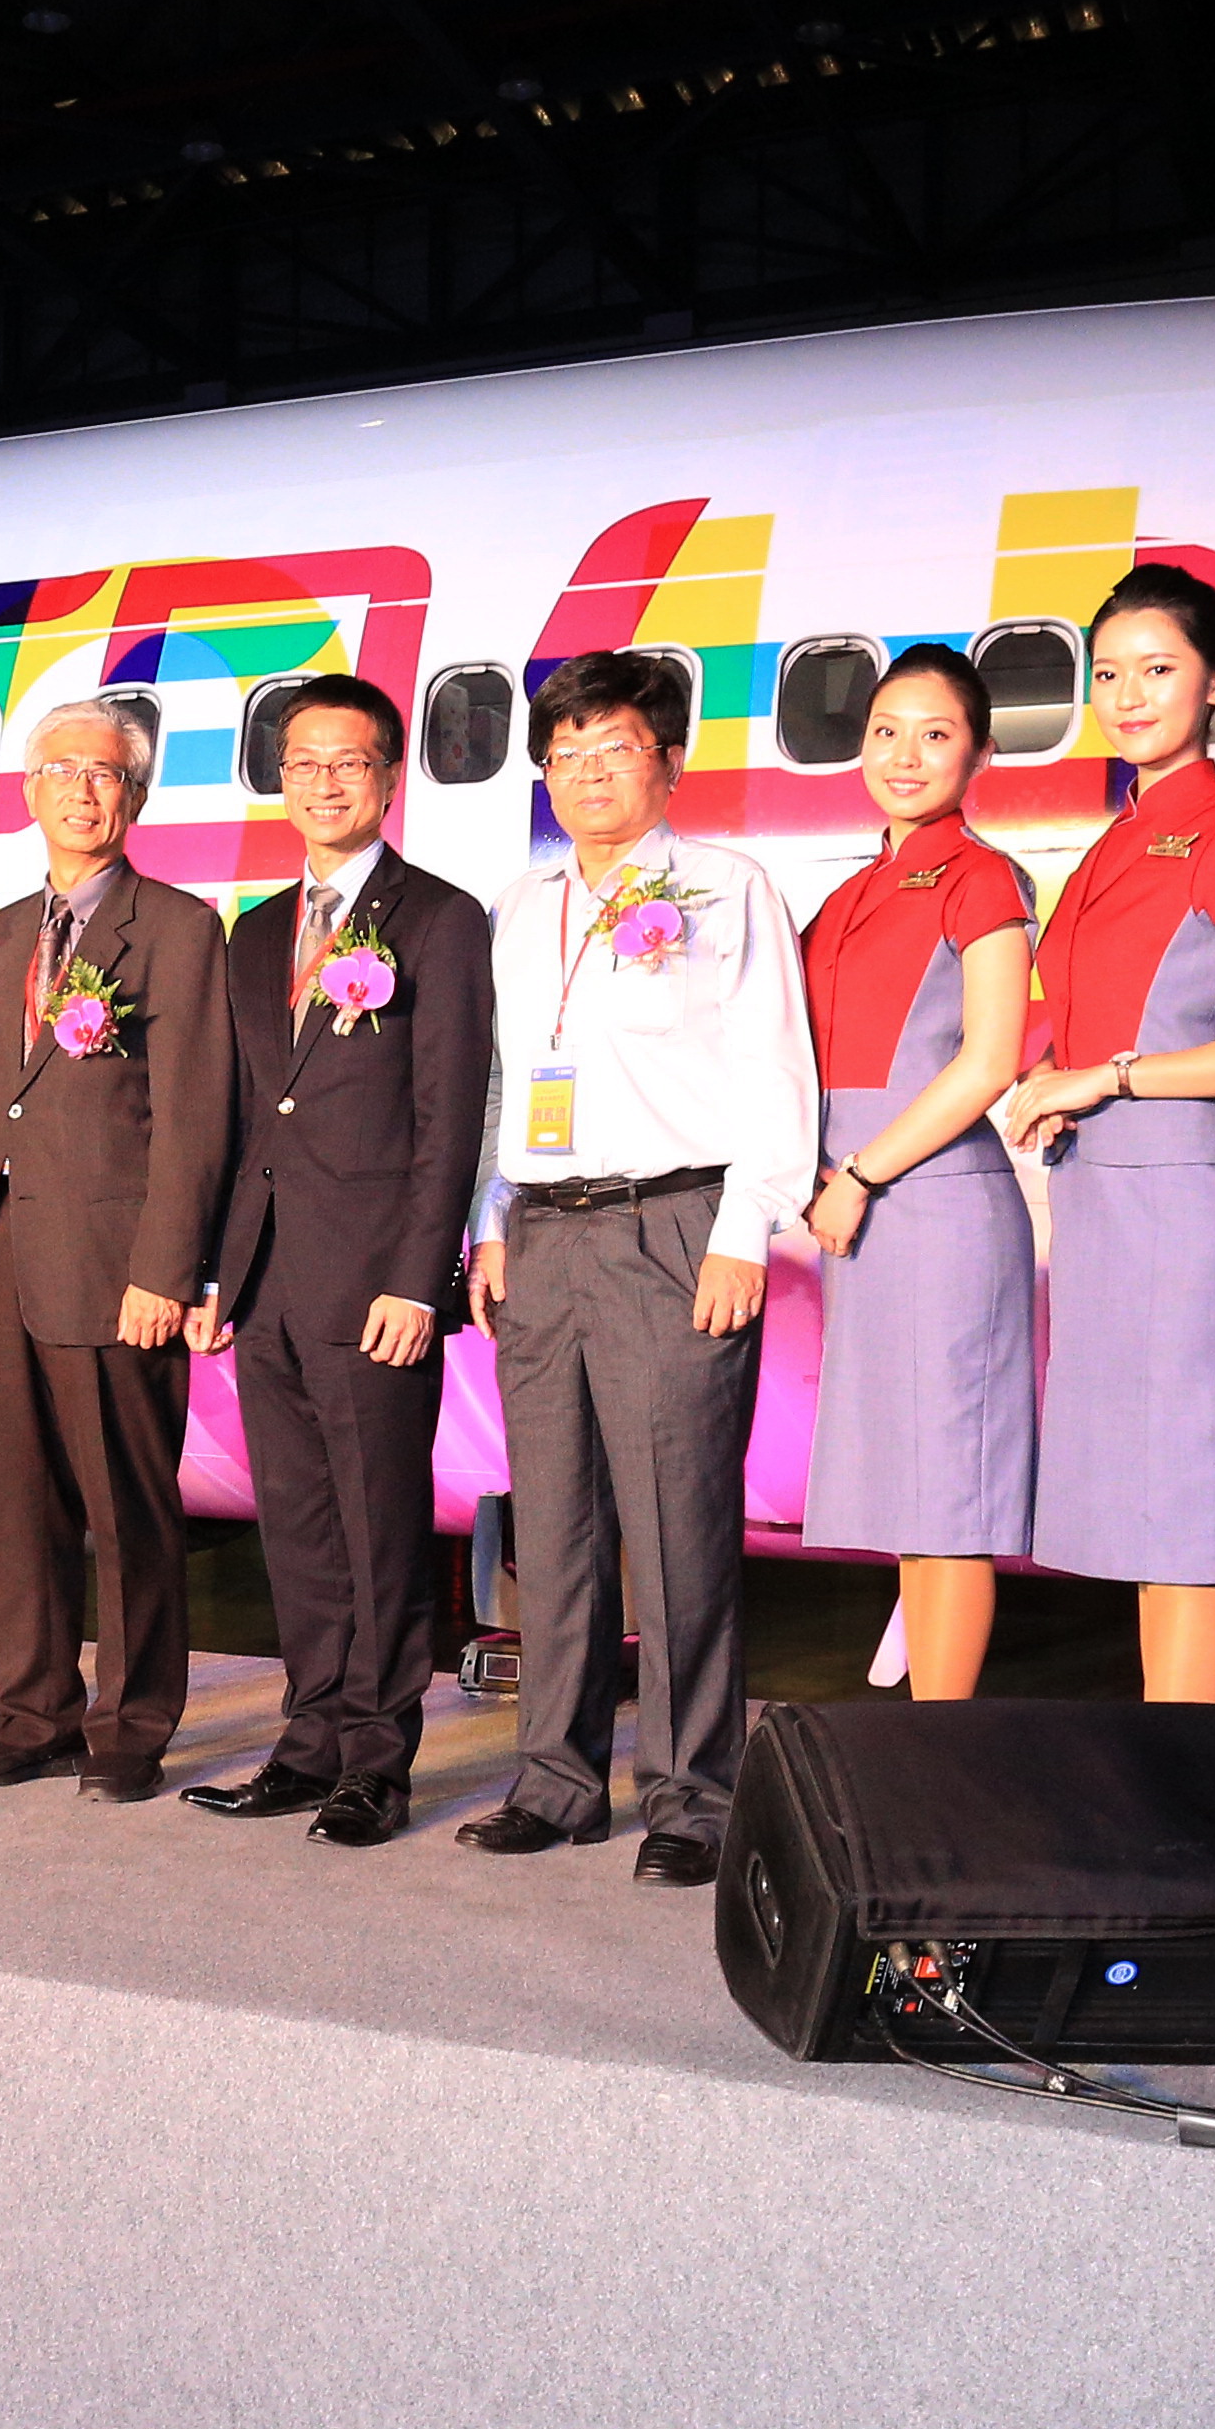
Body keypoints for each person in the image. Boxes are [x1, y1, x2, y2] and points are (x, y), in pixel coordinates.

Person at [458, 651, 818, 1883]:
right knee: (552, 1525)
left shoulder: (726, 888)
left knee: (676, 1527)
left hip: (673, 1225)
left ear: (668, 761)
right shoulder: (521, 905)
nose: (585, 773)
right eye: (563, 755)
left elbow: (776, 1066)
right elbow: (505, 1080)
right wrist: (489, 1219)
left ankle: (691, 1796)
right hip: (541, 1235)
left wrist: (744, 1230)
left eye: (612, 749)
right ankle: (556, 1783)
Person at [1010, 564, 1215, 1702]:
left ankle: (1188, 1774)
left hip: (1184, 1201)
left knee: (1187, 1515)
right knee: (1149, 1516)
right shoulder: (1114, 843)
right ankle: (1168, 1762)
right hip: (1106, 1199)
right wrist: (1052, 1081)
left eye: (1158, 670)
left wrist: (1110, 1077)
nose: (1129, 696)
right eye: (1108, 675)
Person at [191, 674, 493, 1847]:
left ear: (389, 778)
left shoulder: (439, 919)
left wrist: (421, 1278)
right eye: (305, 762)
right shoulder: (257, 930)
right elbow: (241, 1116)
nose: (325, 782)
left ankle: (378, 1760)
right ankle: (308, 1739)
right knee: (299, 1529)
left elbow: (448, 1114)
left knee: (379, 1528)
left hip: (375, 1283)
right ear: (281, 778)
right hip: (266, 1280)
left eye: (349, 762)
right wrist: (217, 1273)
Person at [0, 698, 227, 1799]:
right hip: (2, 1263)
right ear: (30, 791)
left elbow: (193, 1115)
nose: (82, 789)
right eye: (61, 770)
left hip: (115, 1268)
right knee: (19, 1509)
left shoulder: (179, 928)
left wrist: (166, 1269)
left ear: (135, 796)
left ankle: (132, 1726)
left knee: (128, 1509)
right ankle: (33, 1714)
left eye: (104, 774)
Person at [794, 647, 1045, 1700]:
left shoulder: (983, 877)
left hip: (935, 1203)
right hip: (860, 1206)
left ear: (980, 755)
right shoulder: (845, 893)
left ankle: (944, 1739)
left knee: (950, 1492)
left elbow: (988, 1061)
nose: (906, 755)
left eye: (936, 735)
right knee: (911, 1491)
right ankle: (923, 1725)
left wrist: (859, 1173)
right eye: (886, 732)